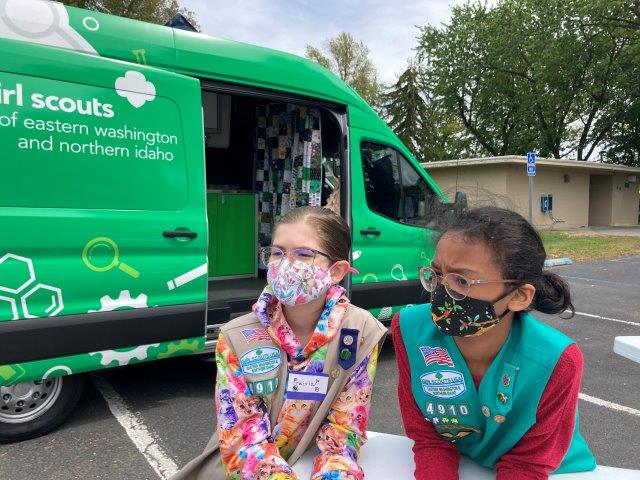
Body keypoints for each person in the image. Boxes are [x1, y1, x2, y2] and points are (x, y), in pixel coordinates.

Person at [172, 206, 387, 480]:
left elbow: (344, 429)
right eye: (277, 252)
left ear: (337, 271)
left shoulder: (360, 332)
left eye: (303, 254)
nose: (285, 264)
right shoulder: (237, 336)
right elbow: (242, 436)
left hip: (308, 457)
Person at [392, 206, 596, 479]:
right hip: (467, 460)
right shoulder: (409, 331)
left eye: (461, 280)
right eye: (436, 273)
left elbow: (528, 464)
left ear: (519, 296)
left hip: (553, 469)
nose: (441, 291)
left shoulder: (557, 361)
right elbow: (429, 438)